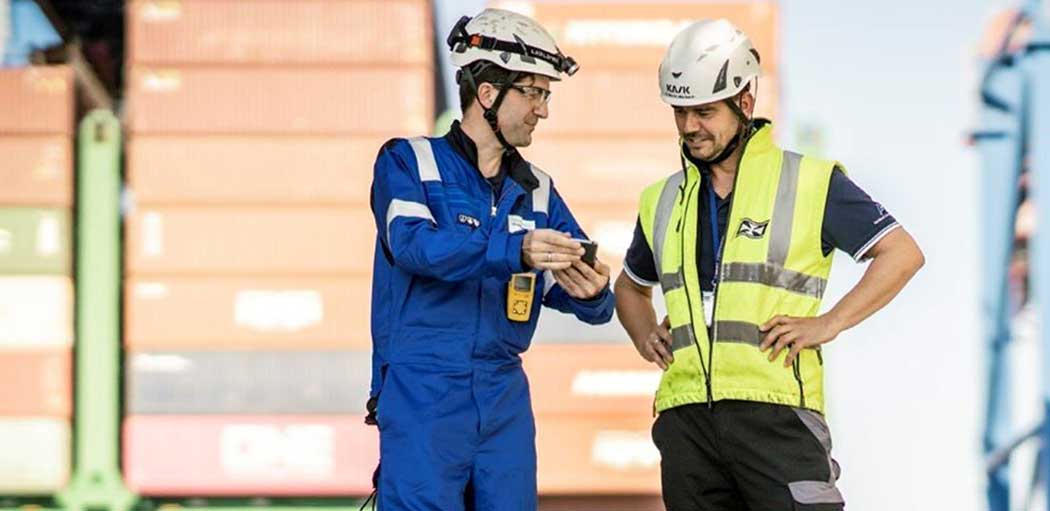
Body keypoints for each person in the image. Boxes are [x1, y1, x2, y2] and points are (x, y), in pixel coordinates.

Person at [613, 19, 925, 510]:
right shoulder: (663, 199)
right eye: (680, 112)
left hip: (776, 416)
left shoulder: (809, 182)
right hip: (686, 421)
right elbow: (630, 288)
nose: (691, 127)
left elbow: (902, 254)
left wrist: (830, 323)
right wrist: (644, 333)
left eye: (705, 112)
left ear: (745, 101)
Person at [366, 8, 614, 510]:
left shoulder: (538, 190)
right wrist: (513, 248)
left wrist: (592, 293)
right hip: (423, 392)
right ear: (487, 94)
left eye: (546, 95)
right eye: (534, 92)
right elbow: (412, 244)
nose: (543, 110)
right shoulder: (409, 162)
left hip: (503, 396)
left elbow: (573, 284)